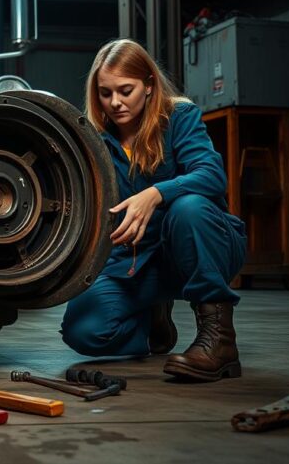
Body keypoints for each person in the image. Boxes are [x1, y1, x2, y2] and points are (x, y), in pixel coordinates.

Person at [60, 39, 247, 382]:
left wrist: (157, 193)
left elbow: (212, 175)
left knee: (188, 207)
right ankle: (154, 326)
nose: (115, 102)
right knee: (82, 331)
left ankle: (219, 341)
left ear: (148, 85)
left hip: (202, 246)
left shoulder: (179, 116)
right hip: (137, 262)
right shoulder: (94, 141)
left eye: (125, 90)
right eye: (105, 93)